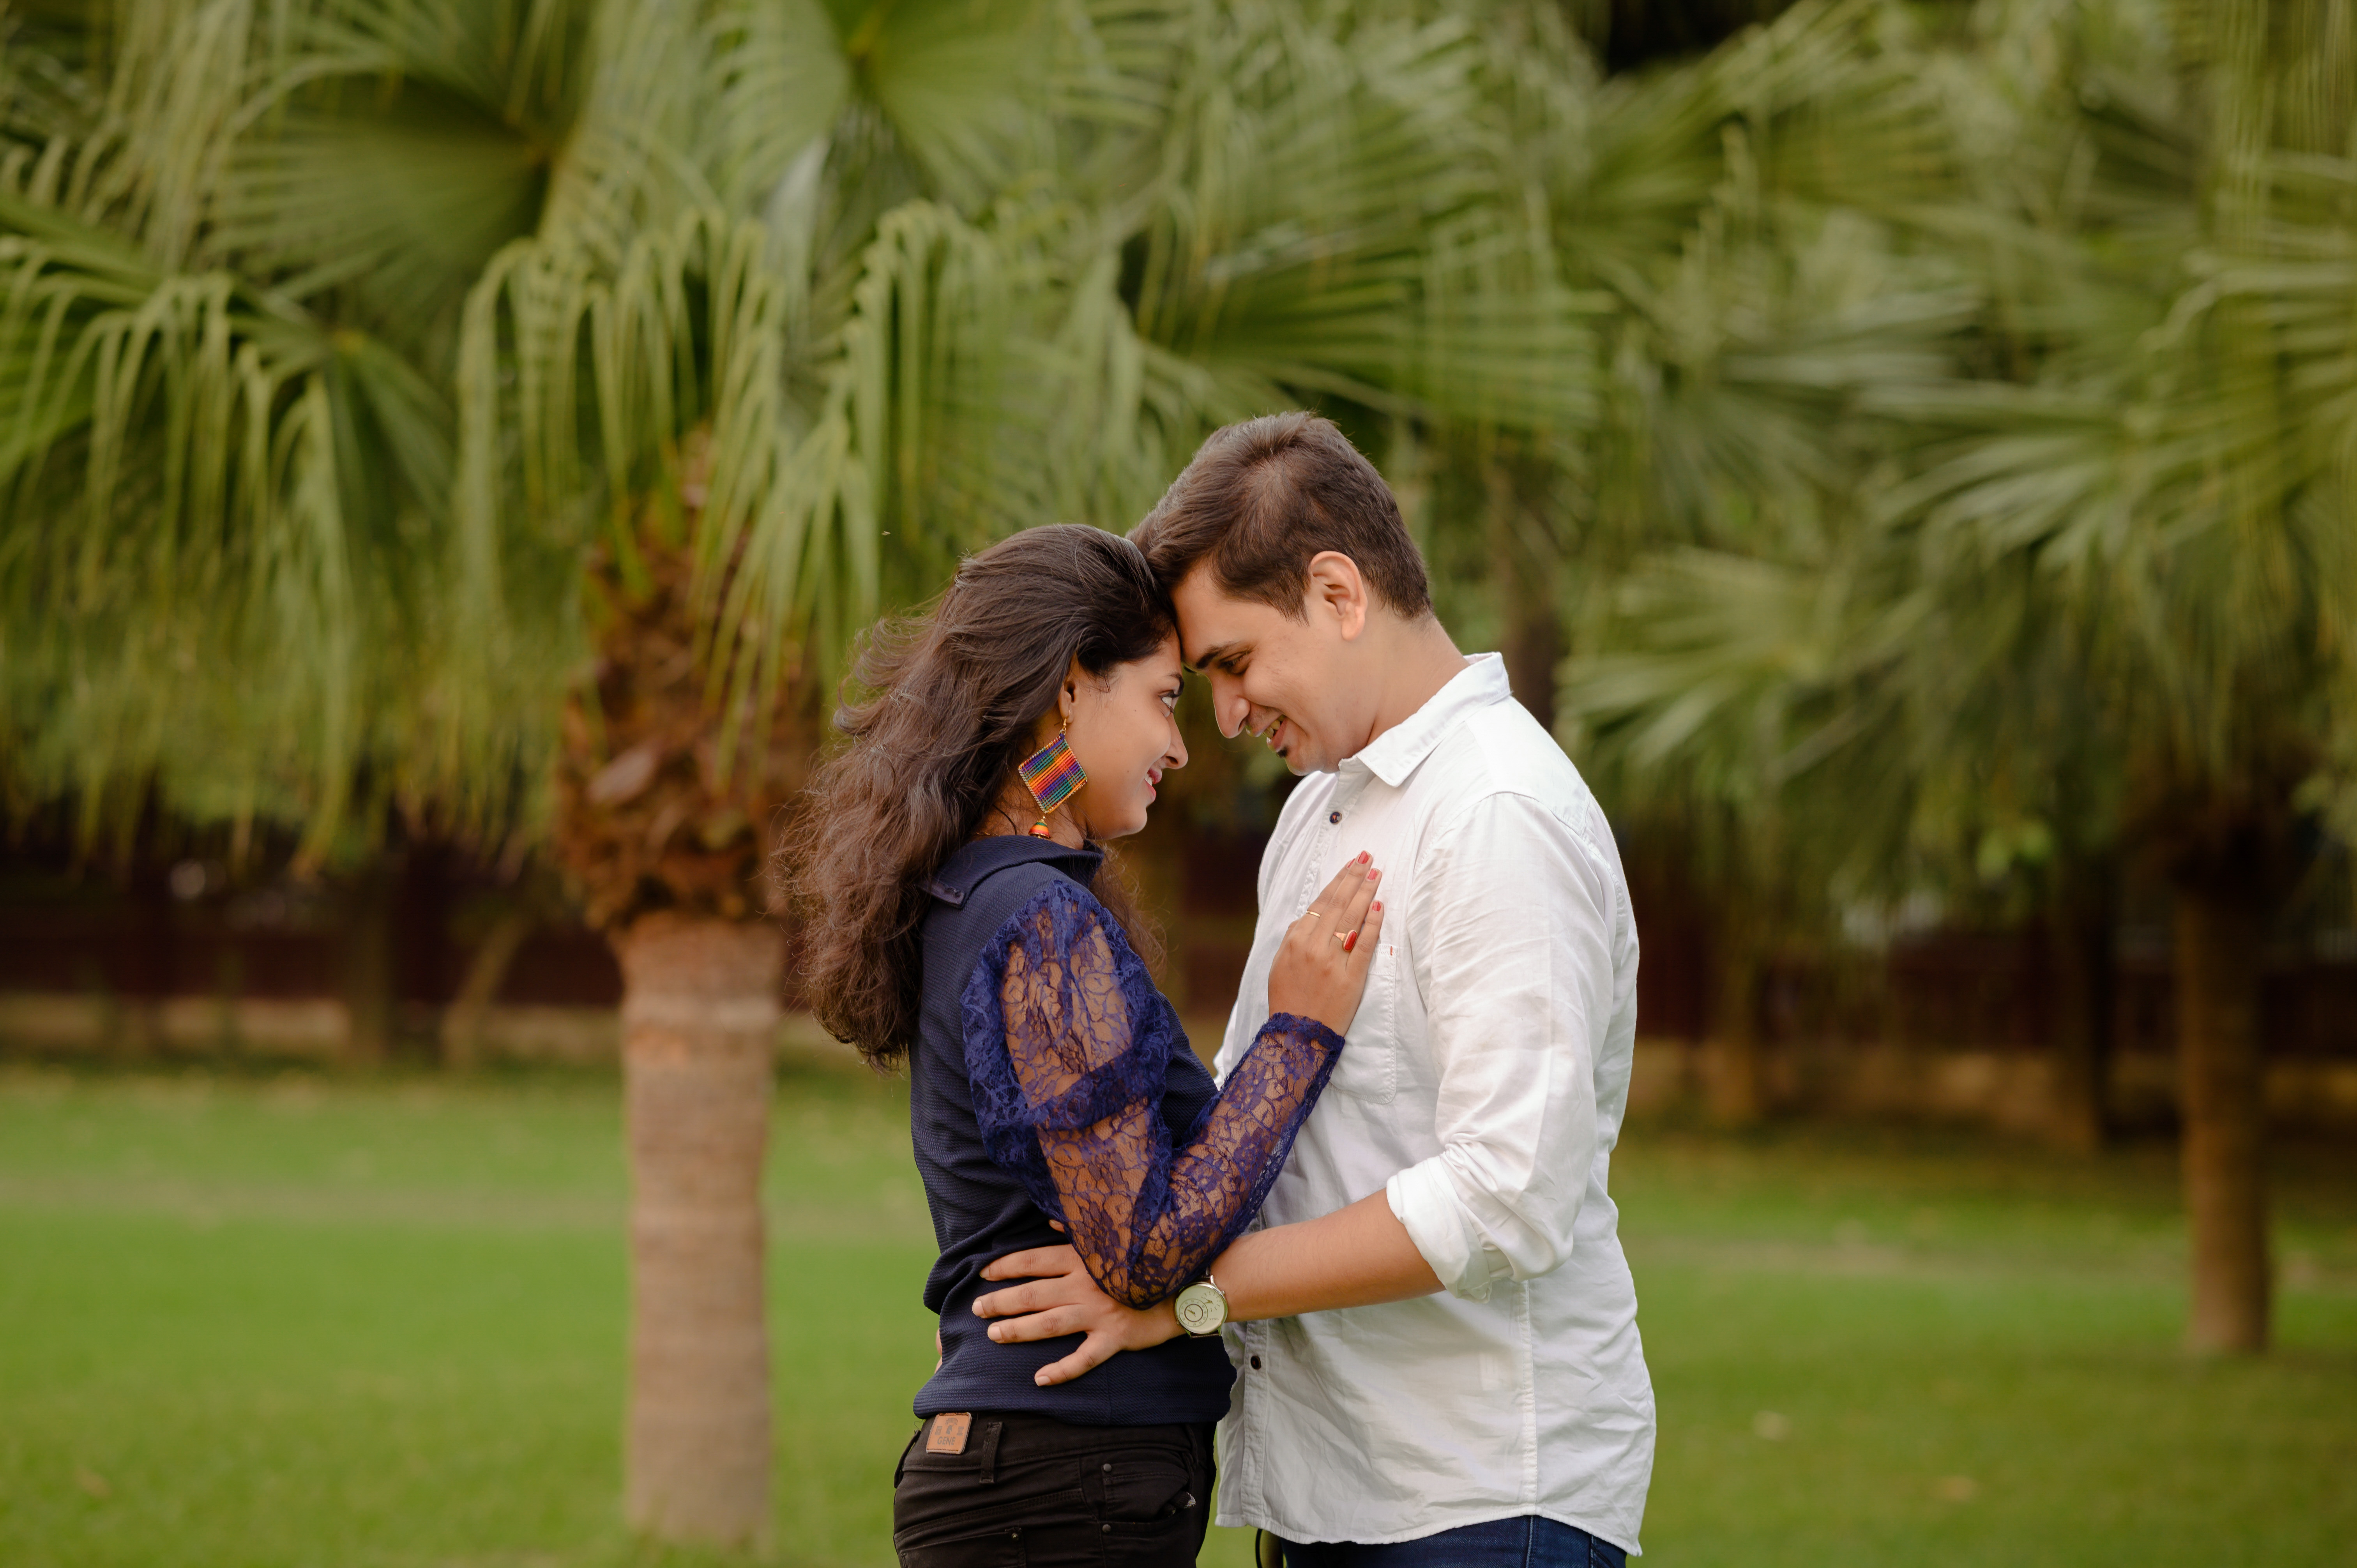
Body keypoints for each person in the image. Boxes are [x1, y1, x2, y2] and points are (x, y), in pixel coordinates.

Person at [973, 415, 1655, 1565]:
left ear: (1339, 594)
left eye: (1235, 664)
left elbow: (1508, 1197)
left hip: (1480, 1500)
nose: (1225, 717)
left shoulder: (1498, 815)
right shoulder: (1319, 812)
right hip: (1329, 1492)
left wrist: (1185, 1296)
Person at [788, 523, 1390, 1568]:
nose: (1181, 747)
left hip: (1039, 1473)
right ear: (1071, 691)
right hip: (1062, 1479)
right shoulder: (1038, 919)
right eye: (1163, 698)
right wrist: (1298, 1033)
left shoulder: (980, 894)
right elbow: (1141, 1248)